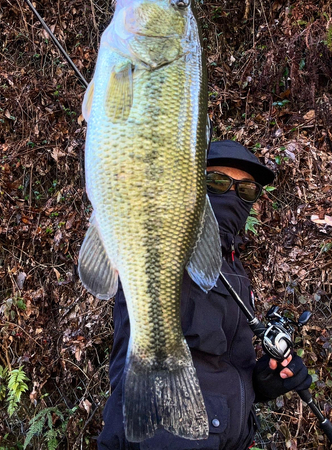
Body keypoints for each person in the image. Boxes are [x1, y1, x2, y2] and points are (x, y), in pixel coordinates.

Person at [97, 140, 312, 450]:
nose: (232, 195)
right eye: (217, 182)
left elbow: (220, 366)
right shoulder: (162, 243)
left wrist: (261, 382)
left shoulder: (235, 268)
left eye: (246, 190)